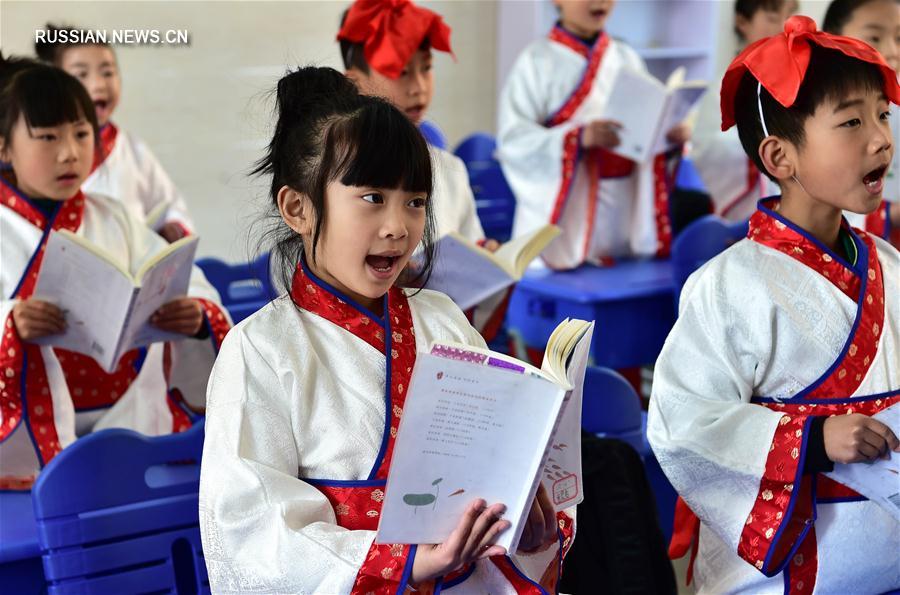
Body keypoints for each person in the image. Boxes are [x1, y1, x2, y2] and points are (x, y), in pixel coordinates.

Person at [198, 66, 574, 593]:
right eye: (373, 197)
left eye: (415, 201)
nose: (398, 226)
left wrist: (526, 528)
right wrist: (405, 562)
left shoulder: (442, 318)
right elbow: (254, 532)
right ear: (297, 208)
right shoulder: (258, 350)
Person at [648, 17, 900, 593]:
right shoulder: (728, 285)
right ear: (780, 156)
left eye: (882, 115)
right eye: (852, 122)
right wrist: (814, 439)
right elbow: (682, 423)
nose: (882, 139)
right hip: (789, 572)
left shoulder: (887, 263)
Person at [0, 57, 229, 490]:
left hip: (131, 418)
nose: (69, 152)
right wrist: (10, 322)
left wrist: (197, 315)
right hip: (24, 441)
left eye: (81, 134)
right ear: (4, 148)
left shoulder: (117, 217)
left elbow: (186, 278)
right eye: (48, 137)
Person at [338, 0, 509, 339]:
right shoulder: (339, 174)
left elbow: (468, 256)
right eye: (400, 71)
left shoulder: (451, 170)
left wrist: (485, 261)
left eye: (426, 68)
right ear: (354, 82)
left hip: (439, 344)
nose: (418, 86)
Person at [497, 0, 690, 269]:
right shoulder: (535, 61)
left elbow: (645, 131)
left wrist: (668, 137)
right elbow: (513, 143)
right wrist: (577, 138)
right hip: (562, 217)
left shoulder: (626, 57)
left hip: (618, 211)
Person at [36, 23, 196, 242]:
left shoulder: (133, 150)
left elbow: (170, 206)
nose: (99, 84)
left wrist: (173, 229)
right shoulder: (38, 154)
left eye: (107, 72)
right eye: (81, 74)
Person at [690, 0, 798, 222]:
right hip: (745, 213)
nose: (784, 26)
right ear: (742, 22)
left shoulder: (799, 80)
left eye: (791, 15)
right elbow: (707, 147)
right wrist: (770, 146)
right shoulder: (725, 85)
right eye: (772, 17)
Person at [823, 0, 900, 240]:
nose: (892, 51)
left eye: (899, 38)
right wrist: (892, 214)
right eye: (875, 38)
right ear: (831, 38)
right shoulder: (813, 112)